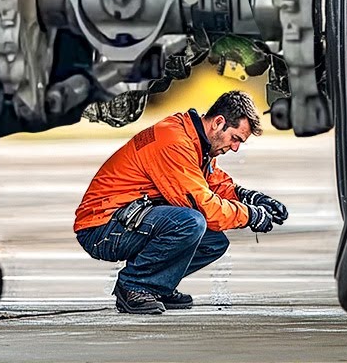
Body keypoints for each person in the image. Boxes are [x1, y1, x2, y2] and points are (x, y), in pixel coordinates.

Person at [73, 90, 290, 314]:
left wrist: (248, 196)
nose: (235, 147)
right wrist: (251, 215)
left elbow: (212, 183)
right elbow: (206, 209)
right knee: (191, 222)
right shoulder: (174, 141)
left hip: (126, 220)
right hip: (102, 229)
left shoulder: (194, 140)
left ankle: (158, 284)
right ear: (218, 122)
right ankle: (135, 286)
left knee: (213, 243)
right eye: (235, 139)